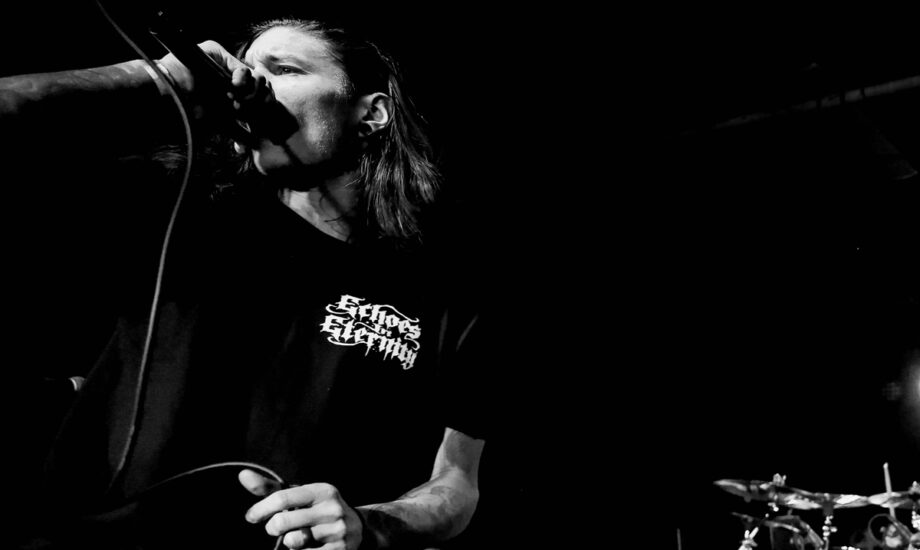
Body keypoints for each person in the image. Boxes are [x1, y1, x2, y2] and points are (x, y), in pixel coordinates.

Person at [3, 13, 488, 550]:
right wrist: (152, 79)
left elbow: (456, 484)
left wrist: (368, 523)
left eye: (284, 69)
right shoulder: (174, 205)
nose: (249, 81)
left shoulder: (448, 289)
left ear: (370, 113)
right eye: (246, 67)